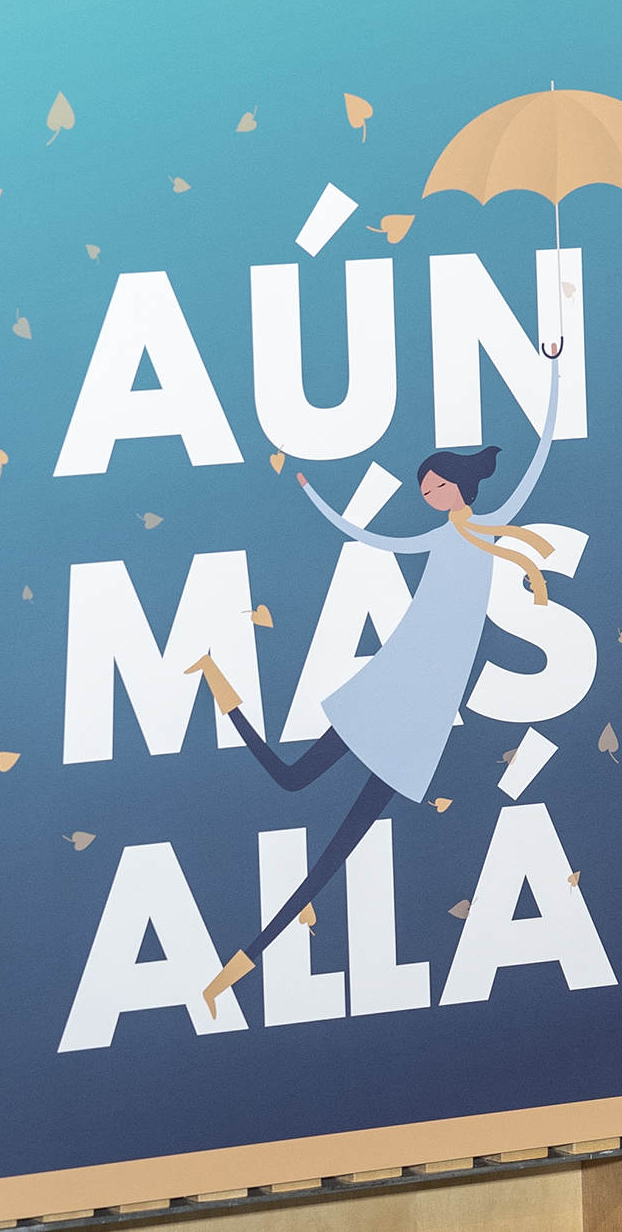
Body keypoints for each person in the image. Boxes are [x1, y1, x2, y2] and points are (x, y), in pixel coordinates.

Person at [188, 403, 565, 1019]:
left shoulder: (490, 525)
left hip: (426, 711)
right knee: (292, 780)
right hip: (395, 685)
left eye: (436, 486)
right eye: (424, 489)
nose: (429, 495)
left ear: (460, 486)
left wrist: (553, 378)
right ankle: (218, 685)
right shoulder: (441, 535)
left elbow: (538, 462)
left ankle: (237, 967)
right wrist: (315, 494)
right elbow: (369, 536)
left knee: (333, 855)